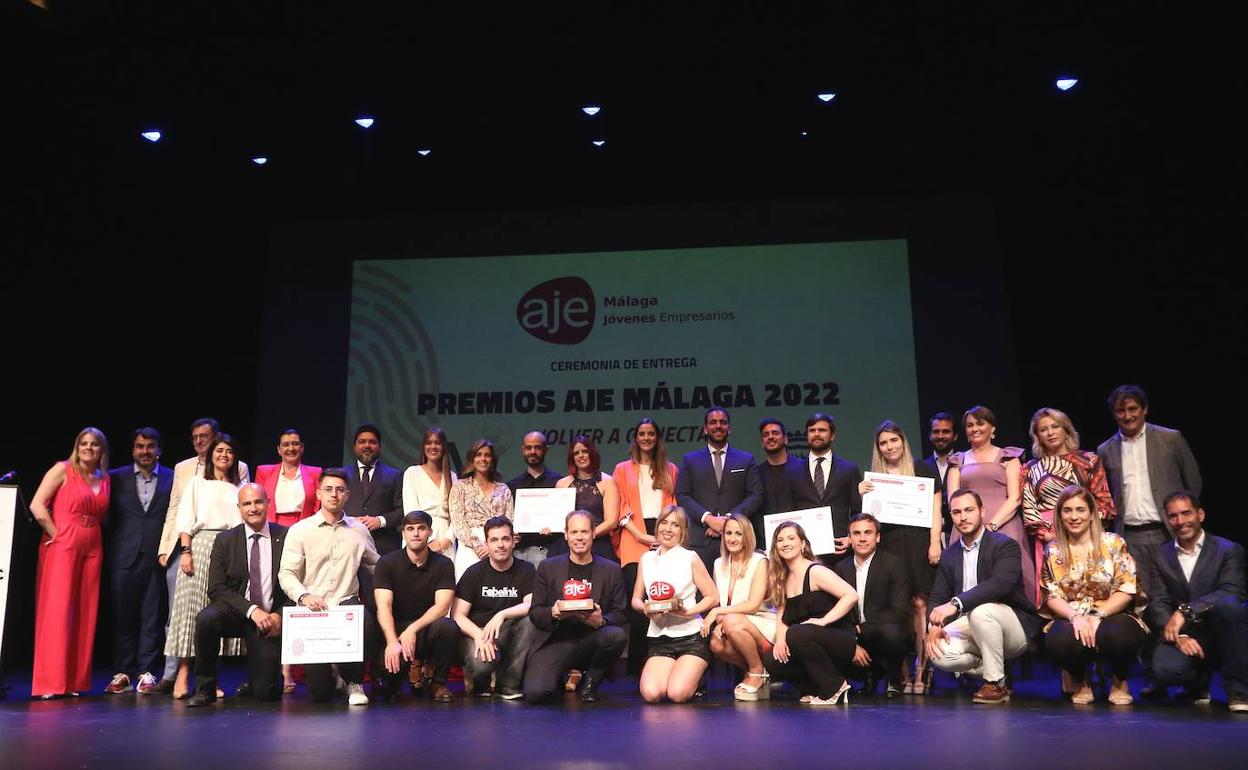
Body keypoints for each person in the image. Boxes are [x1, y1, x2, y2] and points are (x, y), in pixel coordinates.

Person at [156, 418, 250, 692]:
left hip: (228, 549)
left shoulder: (239, 489)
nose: (224, 455)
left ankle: (210, 680)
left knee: (217, 614)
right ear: (211, 454)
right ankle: (184, 673)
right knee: (189, 612)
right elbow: (184, 519)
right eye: (219, 451)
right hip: (199, 546)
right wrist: (185, 551)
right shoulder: (197, 482)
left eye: (229, 452)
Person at [926, 489, 1043, 704]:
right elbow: (936, 597)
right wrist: (933, 626)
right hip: (971, 626)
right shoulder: (950, 555)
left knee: (982, 611)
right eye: (956, 512)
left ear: (982, 511)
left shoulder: (1005, 545)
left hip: (1012, 625)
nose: (963, 517)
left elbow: (999, 585)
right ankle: (993, 663)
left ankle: (996, 683)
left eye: (969, 510)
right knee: (938, 652)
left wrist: (955, 604)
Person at [278, 468, 381, 705]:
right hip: (314, 608)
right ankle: (333, 675)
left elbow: (376, 566)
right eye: (328, 489)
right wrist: (303, 596)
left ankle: (354, 681)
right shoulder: (300, 531)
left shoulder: (358, 530)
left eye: (340, 490)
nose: (334, 494)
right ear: (318, 494)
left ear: (347, 495)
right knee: (321, 694)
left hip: (346, 603)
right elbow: (287, 573)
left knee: (364, 618)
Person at [1096, 386, 1202, 616]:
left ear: (1145, 409)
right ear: (1114, 414)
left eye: (1133, 409)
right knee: (1141, 596)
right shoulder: (1105, 450)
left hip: (1169, 530)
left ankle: (1188, 638)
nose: (1128, 416)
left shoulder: (1170, 438)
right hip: (1130, 535)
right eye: (1120, 411)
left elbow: (1192, 482)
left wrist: (1185, 518)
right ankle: (1151, 646)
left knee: (1180, 588)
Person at [857, 420, 942, 692]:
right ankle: (900, 670)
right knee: (897, 609)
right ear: (878, 448)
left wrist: (934, 543)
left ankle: (922, 670)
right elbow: (869, 519)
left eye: (894, 440)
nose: (889, 446)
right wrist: (861, 495)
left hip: (918, 544)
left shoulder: (923, 469)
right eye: (883, 442)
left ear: (903, 442)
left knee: (919, 606)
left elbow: (936, 511)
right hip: (889, 546)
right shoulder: (874, 478)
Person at [186, 484, 290, 706]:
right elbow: (216, 588)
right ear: (239, 508)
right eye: (247, 504)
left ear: (268, 503)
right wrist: (252, 611)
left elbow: (297, 584)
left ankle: (259, 682)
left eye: (258, 502)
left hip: (270, 619)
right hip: (236, 612)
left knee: (266, 694)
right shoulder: (225, 540)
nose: (253, 508)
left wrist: (280, 615)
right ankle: (205, 689)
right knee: (206, 618)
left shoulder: (286, 536)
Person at [1039, 485, 1144, 705]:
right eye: (1067, 510)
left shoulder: (1114, 543)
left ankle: (1118, 680)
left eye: (1080, 510)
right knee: (1060, 638)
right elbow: (1051, 594)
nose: (1074, 516)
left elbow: (1126, 588)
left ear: (1092, 514)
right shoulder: (1053, 550)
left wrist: (1097, 615)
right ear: (1060, 515)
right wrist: (1076, 617)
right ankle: (1080, 679)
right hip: (1072, 614)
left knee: (1119, 634)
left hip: (1111, 611)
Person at [30, 427, 111, 699]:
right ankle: (50, 683)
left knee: (85, 610)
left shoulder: (104, 477)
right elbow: (37, 505)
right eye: (84, 443)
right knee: (58, 610)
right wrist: (56, 534)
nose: (88, 448)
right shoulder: (62, 470)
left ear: (102, 450)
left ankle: (73, 681)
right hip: (65, 540)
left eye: (94, 444)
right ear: (77, 447)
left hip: (93, 542)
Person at [1148, 491, 1247, 712]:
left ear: (1200, 514)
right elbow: (1158, 602)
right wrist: (1179, 637)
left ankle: (1239, 689)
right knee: (1165, 670)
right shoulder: (1161, 554)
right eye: (1173, 516)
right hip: (1188, 634)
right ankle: (1197, 682)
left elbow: (1233, 591)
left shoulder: (1228, 550)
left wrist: (1185, 610)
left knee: (1229, 606)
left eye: (1186, 513)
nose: (1180, 521)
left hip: (1222, 631)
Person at [523, 511, 628, 703]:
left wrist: (601, 620)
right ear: (566, 534)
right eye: (574, 532)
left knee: (616, 635)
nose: (579, 537)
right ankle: (559, 678)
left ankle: (591, 683)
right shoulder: (548, 567)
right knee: (536, 693)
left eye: (584, 532)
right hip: (557, 639)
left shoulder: (611, 569)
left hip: (593, 638)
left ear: (593, 533)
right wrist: (553, 613)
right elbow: (535, 612)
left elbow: (621, 612)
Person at [1022, 408, 1116, 609]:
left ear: (1066, 430)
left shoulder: (1089, 460)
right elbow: (1029, 505)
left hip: (1088, 535)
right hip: (1049, 538)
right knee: (1056, 593)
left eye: (1055, 426)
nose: (1050, 432)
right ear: (1037, 436)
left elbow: (1104, 502)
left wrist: (1087, 529)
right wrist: (1048, 535)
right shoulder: (1030, 467)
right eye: (1043, 429)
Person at [105, 428, 173, 696]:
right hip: (124, 556)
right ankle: (123, 671)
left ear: (159, 449)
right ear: (133, 450)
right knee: (124, 615)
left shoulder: (171, 477)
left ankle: (146, 671)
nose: (145, 451)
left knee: (152, 615)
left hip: (158, 556)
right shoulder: (116, 477)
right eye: (139, 446)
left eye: (150, 446)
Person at [763, 521, 859, 705]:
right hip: (807, 640)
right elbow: (782, 613)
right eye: (780, 540)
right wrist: (780, 640)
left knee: (797, 632)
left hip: (839, 639)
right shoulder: (782, 578)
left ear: (803, 544)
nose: (785, 543)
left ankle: (835, 687)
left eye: (791, 538)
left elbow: (851, 595)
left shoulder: (816, 571)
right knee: (772, 658)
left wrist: (823, 621)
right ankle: (816, 689)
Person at [944, 405, 1031, 604]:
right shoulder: (958, 461)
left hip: (1004, 525)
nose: (974, 428)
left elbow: (1015, 498)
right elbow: (953, 499)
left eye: (980, 423)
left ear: (992, 428)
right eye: (970, 425)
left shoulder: (1008, 457)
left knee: (1005, 579)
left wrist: (991, 526)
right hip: (966, 525)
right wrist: (972, 526)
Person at [632, 505, 718, 703]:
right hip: (660, 637)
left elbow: (712, 596)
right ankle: (677, 672)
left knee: (677, 694)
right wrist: (644, 608)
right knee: (652, 694)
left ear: (683, 531)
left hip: (690, 637)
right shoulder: (646, 558)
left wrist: (689, 612)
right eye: (664, 523)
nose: (668, 529)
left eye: (675, 525)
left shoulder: (690, 557)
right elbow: (636, 598)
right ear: (657, 527)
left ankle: (697, 677)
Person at [612, 418, 678, 674]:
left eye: (651, 433)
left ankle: (662, 660)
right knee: (639, 605)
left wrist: (662, 534)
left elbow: (673, 505)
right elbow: (621, 506)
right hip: (633, 537)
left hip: (664, 537)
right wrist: (641, 535)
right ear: (636, 438)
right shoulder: (622, 469)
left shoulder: (670, 469)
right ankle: (638, 665)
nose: (646, 438)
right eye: (642, 434)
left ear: (657, 437)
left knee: (663, 600)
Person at [372, 511, 459, 702]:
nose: (416, 533)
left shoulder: (444, 564)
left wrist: (413, 629)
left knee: (448, 627)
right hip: (395, 632)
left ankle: (438, 683)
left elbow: (443, 606)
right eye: (410, 529)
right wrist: (392, 641)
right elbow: (383, 606)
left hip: (427, 630)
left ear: (430, 532)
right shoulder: (387, 563)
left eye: (421, 528)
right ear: (403, 533)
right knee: (388, 690)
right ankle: (394, 684)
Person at [452, 516, 537, 699]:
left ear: (513, 541)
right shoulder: (474, 572)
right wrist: (479, 636)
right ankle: (479, 680)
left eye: (505, 539)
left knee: (531, 620)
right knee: (480, 666)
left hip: (509, 631)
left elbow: (531, 605)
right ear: (487, 544)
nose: (501, 545)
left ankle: (507, 685)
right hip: (478, 632)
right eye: (494, 540)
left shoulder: (527, 569)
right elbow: (457, 615)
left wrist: (502, 614)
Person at [675, 407, 763, 572]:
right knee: (704, 594)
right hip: (700, 540)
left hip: (738, 538)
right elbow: (682, 495)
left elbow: (756, 495)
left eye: (723, 422)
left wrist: (727, 521)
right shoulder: (690, 460)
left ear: (729, 428)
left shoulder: (746, 459)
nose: (718, 426)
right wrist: (708, 519)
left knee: (738, 593)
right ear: (705, 429)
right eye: (713, 422)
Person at [834, 513, 912, 698]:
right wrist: (851, 636)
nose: (862, 538)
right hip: (854, 633)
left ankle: (894, 679)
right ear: (850, 538)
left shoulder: (894, 564)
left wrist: (862, 628)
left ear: (877, 537)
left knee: (892, 633)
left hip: (884, 631)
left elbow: (899, 612)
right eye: (857, 533)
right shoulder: (840, 568)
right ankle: (866, 675)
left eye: (868, 533)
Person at [704, 512, 777, 701]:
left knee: (732, 623)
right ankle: (760, 674)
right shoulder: (718, 563)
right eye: (728, 533)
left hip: (763, 622)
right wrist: (721, 619)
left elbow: (753, 605)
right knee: (715, 644)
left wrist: (719, 613)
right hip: (735, 620)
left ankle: (756, 671)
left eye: (738, 534)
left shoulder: (759, 561)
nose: (732, 538)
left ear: (747, 536)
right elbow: (721, 602)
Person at [780, 413, 862, 564]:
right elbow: (787, 512)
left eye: (822, 430)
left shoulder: (849, 469)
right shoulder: (791, 471)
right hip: (805, 553)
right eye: (812, 430)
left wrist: (850, 538)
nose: (816, 434)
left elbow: (858, 510)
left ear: (832, 436)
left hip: (841, 552)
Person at [449, 438, 515, 579]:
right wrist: (479, 546)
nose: (483, 459)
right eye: (479, 454)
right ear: (472, 458)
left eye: (487, 455)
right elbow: (458, 521)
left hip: (499, 547)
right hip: (469, 549)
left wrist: (492, 546)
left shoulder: (503, 489)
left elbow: (510, 522)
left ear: (492, 460)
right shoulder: (460, 486)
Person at [551, 435, 619, 562]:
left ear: (592, 453)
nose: (581, 455)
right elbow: (557, 521)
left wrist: (586, 536)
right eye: (576, 453)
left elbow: (612, 522)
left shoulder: (607, 482)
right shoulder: (561, 484)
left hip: (599, 546)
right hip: (567, 547)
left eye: (585, 451)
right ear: (572, 458)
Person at [344, 423, 404, 556]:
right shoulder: (341, 475)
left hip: (384, 547)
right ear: (354, 446)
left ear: (379, 446)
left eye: (372, 442)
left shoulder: (394, 475)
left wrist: (380, 521)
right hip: (347, 545)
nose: (367, 446)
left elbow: (402, 511)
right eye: (362, 442)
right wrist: (351, 521)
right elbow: (332, 508)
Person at [506, 430, 562, 566]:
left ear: (546, 450)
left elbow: (564, 520)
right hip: (518, 553)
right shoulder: (513, 485)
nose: (532, 451)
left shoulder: (559, 483)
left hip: (549, 551)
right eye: (528, 447)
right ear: (523, 450)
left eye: (537, 447)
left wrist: (554, 529)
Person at [402, 426, 458, 558]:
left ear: (444, 447)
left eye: (437, 443)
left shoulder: (452, 477)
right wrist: (428, 539)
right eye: (429, 443)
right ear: (423, 447)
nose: (433, 446)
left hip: (446, 539)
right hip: (418, 535)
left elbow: (457, 515)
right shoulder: (412, 473)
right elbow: (411, 511)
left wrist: (447, 539)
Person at [255, 428, 323, 527]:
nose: (291, 448)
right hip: (272, 527)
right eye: (286, 445)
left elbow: (317, 505)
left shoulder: (315, 473)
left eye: (295, 444)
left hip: (304, 527)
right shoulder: (264, 472)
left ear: (302, 447)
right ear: (279, 450)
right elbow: (258, 501)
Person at [756, 417, 801, 546]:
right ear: (762, 442)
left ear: (785, 439)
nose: (770, 437)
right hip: (767, 544)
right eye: (766, 435)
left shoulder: (803, 468)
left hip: (799, 542)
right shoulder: (756, 474)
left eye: (775, 433)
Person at [925, 412, 957, 542]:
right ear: (930, 435)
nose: (940, 436)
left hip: (959, 531)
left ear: (955, 436)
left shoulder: (964, 463)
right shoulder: (921, 467)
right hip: (931, 537)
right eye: (936, 432)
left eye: (946, 431)